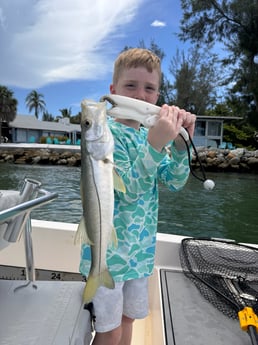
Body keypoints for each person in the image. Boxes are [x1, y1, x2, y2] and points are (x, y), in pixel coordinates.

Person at [79, 48, 196, 345]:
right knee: (110, 330)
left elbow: (174, 181)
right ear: (114, 90)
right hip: (110, 257)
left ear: (158, 95)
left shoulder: (150, 134)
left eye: (150, 88)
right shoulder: (107, 135)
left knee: (128, 320)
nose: (141, 96)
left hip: (140, 255)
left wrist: (181, 147)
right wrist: (156, 146)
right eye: (131, 86)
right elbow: (128, 189)